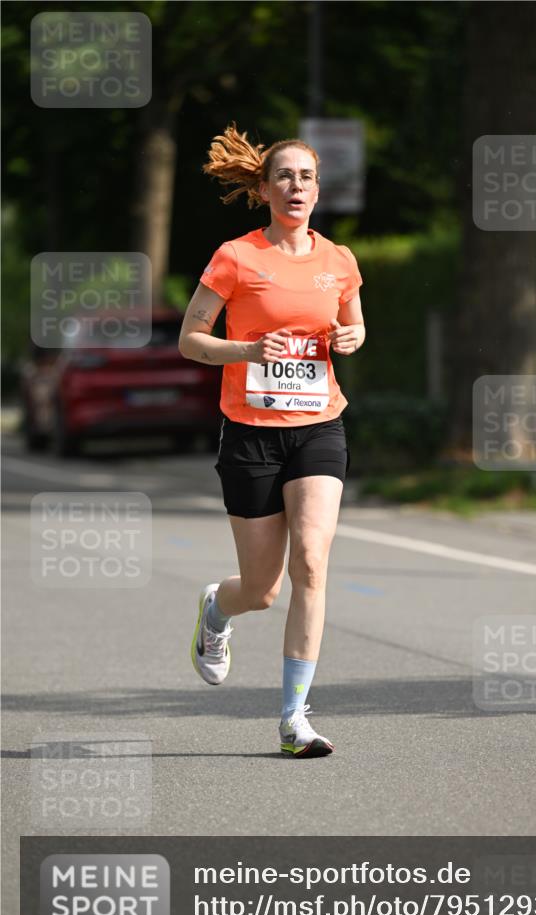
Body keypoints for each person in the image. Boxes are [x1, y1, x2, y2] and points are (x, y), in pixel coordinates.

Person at [178, 123, 365, 758]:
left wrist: (350, 338)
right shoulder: (236, 257)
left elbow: (355, 325)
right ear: (264, 188)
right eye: (283, 175)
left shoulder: (338, 260)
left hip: (319, 425)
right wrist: (248, 349)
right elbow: (190, 339)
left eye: (306, 176)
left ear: (317, 190)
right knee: (262, 590)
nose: (296, 186)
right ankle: (217, 609)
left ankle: (294, 719)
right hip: (251, 433)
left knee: (312, 562)